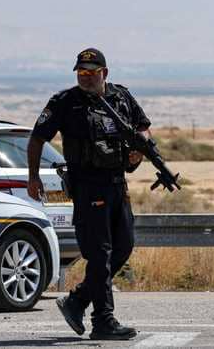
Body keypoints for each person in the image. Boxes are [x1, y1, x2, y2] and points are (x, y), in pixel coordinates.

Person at [27, 48, 150, 341]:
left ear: (104, 73)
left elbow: (143, 127)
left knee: (123, 247)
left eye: (92, 72)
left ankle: (78, 300)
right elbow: (36, 139)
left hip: (117, 183)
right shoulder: (65, 102)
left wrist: (139, 151)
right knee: (100, 253)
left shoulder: (121, 96)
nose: (86, 77)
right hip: (88, 185)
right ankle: (103, 320)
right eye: (81, 72)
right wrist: (32, 177)